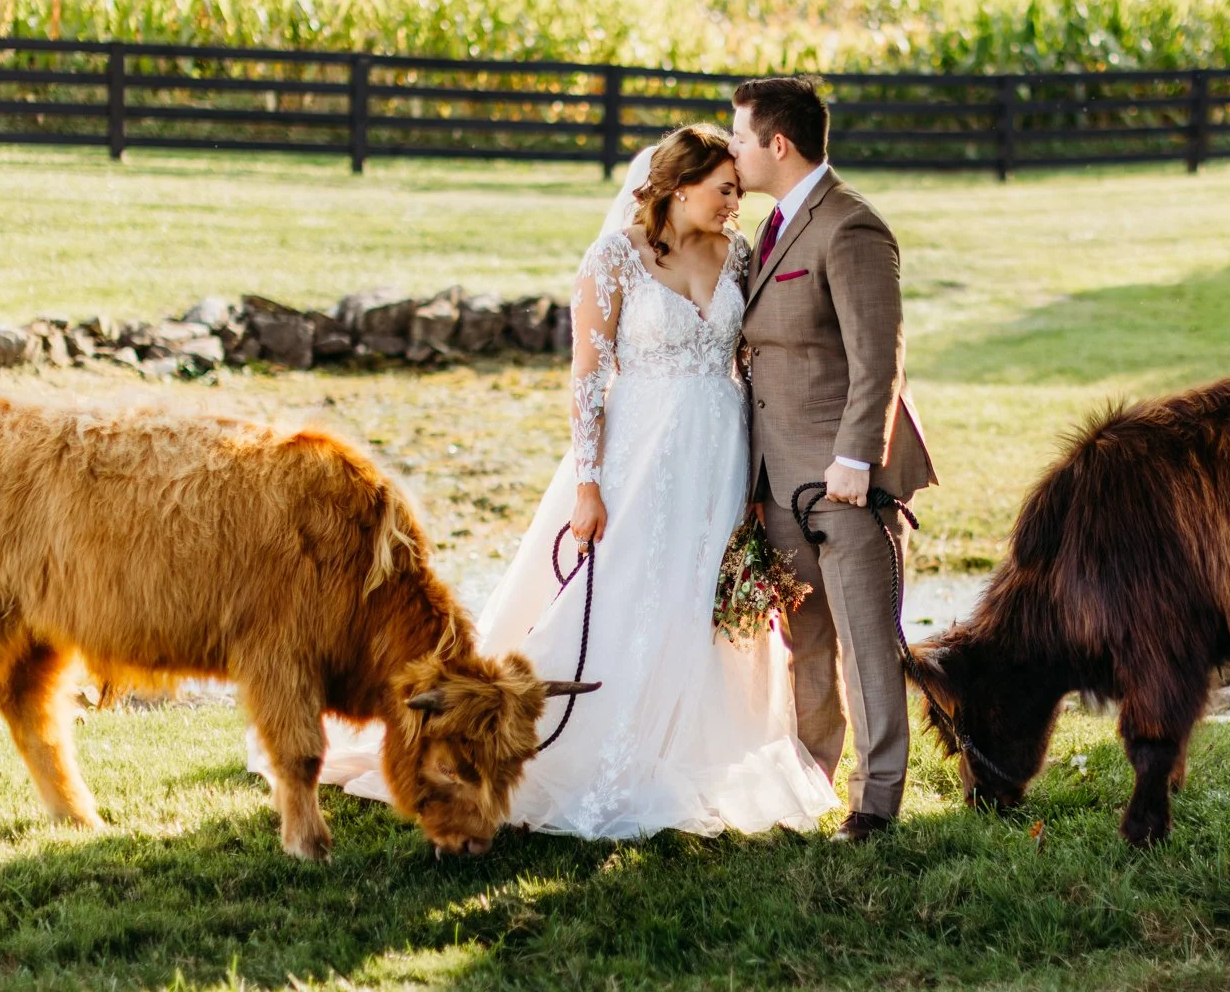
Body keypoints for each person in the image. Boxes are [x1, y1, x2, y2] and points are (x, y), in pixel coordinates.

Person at [258, 123, 837, 838]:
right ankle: (565, 738)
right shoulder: (614, 259)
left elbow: (750, 365)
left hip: (718, 451)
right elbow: (588, 380)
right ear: (679, 187)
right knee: (623, 590)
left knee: (703, 598)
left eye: (736, 193)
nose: (733, 204)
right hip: (640, 453)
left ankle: (694, 745)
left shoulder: (741, 255)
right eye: (723, 191)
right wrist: (589, 485)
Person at [730, 76, 937, 844]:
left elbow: (879, 357)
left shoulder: (851, 227)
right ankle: (813, 784)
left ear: (776, 144)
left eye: (740, 136)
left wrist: (858, 456)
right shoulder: (774, 227)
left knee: (866, 644)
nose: (732, 149)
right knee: (806, 644)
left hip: (846, 483)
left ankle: (876, 804)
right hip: (780, 482)